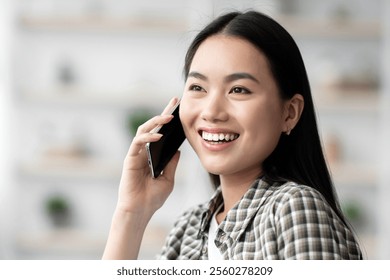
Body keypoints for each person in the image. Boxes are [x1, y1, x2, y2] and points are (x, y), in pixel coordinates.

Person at [102, 10, 362, 260]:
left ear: (289, 113)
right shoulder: (188, 229)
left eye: (238, 90)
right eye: (197, 87)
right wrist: (131, 212)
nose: (212, 111)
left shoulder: (294, 209)